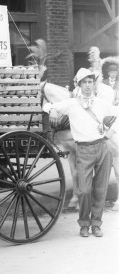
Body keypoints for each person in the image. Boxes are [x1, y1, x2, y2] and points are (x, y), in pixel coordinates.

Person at [44, 68, 119, 238]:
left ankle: (96, 224)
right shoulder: (71, 104)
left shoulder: (100, 103)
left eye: (90, 82)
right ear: (78, 85)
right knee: (84, 190)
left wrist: (111, 132)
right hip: (83, 150)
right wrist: (52, 110)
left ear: (94, 84)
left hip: (102, 148)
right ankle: (84, 223)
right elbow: (48, 104)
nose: (87, 86)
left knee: (100, 190)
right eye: (84, 82)